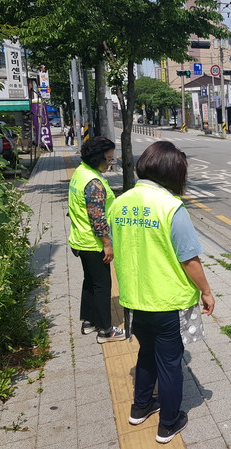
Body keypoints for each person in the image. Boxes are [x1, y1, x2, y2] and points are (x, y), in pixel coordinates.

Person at [108, 141, 215, 444]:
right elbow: (189, 259)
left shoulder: (121, 202)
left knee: (146, 353)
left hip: (134, 298)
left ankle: (140, 407)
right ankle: (169, 422)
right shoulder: (170, 207)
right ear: (172, 172)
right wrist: (206, 291)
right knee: (169, 361)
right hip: (167, 300)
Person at [68, 136, 125, 343]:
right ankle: (106, 330)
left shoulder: (81, 172)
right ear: (97, 158)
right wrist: (107, 244)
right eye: (109, 159)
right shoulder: (94, 183)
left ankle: (90, 321)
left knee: (90, 281)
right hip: (93, 242)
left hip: (80, 239)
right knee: (103, 285)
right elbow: (97, 218)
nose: (110, 163)